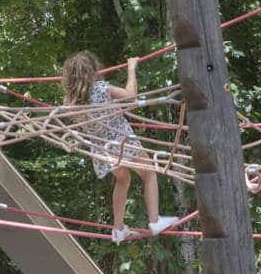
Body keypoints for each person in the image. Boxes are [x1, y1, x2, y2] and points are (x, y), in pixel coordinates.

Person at [61, 51, 177, 245]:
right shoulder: (100, 88)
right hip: (122, 142)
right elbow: (131, 97)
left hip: (102, 150)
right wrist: (131, 68)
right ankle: (155, 221)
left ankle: (118, 228)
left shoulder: (70, 103)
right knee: (149, 175)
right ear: (92, 71)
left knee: (123, 182)